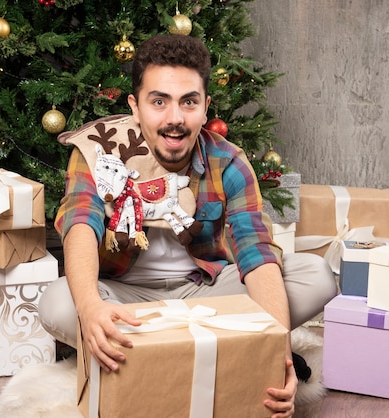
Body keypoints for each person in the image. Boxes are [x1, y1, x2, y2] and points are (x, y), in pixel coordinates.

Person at [39, 34, 337, 417]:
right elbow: (80, 223)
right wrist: (92, 306)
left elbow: (255, 249)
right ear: (135, 106)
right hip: (127, 298)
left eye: (189, 102)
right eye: (159, 101)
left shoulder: (227, 161)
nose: (175, 118)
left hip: (204, 294)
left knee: (316, 275)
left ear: (205, 106)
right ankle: (172, 346)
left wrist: (275, 352)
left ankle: (175, 349)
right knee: (60, 303)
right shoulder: (98, 151)